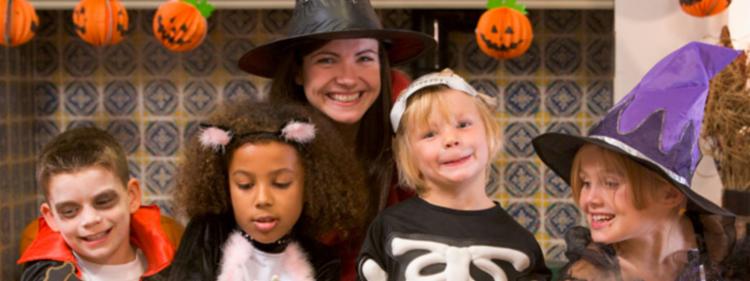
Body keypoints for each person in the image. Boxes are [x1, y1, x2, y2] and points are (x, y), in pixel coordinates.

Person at [238, 1, 436, 279]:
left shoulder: (414, 144)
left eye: (364, 58)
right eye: (327, 59)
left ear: (382, 67)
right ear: (298, 71)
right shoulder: (263, 154)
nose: (347, 78)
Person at [532, 42, 748, 280]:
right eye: (585, 183)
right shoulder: (589, 275)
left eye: (611, 183)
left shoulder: (726, 255)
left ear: (670, 195)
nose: (588, 199)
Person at [357, 69, 551, 280]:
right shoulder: (388, 228)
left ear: (489, 132)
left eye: (463, 124)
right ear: (409, 156)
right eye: (430, 134)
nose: (451, 139)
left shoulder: (520, 242)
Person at [167, 101, 369, 280]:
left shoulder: (322, 261)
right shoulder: (208, 235)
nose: (263, 199)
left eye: (281, 183)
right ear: (225, 186)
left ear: (310, 186)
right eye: (245, 185)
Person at [17, 127, 176, 281]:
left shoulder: (174, 268)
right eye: (70, 211)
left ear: (132, 197)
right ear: (51, 217)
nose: (90, 219)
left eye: (103, 202)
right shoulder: (45, 277)